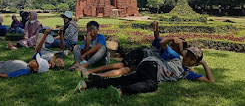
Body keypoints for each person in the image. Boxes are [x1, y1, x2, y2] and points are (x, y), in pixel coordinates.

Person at [75, 23, 214, 102]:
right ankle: (122, 92)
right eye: (187, 55)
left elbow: (210, 80)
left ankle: (87, 84)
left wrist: (204, 64)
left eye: (191, 59)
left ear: (195, 63)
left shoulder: (187, 73)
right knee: (152, 85)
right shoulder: (176, 57)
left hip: (146, 69)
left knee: (123, 79)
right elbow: (163, 44)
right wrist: (173, 38)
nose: (187, 59)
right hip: (152, 65)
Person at [81, 21, 189, 79]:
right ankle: (90, 71)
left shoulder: (176, 59)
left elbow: (187, 67)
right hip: (141, 55)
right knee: (120, 66)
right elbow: (159, 40)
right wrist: (159, 29)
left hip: (145, 63)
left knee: (125, 70)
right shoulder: (171, 52)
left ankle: (97, 76)